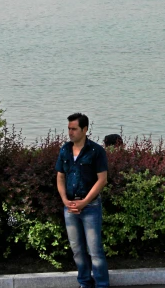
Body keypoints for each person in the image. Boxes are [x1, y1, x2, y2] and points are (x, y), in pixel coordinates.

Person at [56, 113, 109, 288]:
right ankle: (84, 283)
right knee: (77, 250)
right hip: (70, 207)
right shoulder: (64, 150)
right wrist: (65, 200)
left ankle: (101, 285)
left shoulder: (96, 151)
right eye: (69, 128)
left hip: (91, 207)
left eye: (74, 129)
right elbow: (60, 177)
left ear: (85, 129)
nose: (70, 132)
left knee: (95, 251)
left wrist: (85, 202)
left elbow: (102, 179)